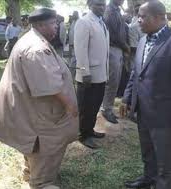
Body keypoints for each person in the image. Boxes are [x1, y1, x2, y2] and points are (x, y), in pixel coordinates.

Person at [0, 8, 79, 189]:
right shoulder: (36, 48)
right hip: (42, 116)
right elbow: (51, 86)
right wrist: (70, 106)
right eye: (54, 24)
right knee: (45, 146)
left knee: (33, 144)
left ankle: (30, 172)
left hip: (32, 110)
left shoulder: (33, 40)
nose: (57, 27)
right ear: (40, 25)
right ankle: (41, 182)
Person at [123, 1, 171, 189]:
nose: (138, 19)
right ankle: (148, 179)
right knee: (147, 152)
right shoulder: (143, 39)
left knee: (165, 161)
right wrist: (127, 97)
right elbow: (135, 72)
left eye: (143, 16)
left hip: (166, 115)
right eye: (138, 15)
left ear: (159, 17)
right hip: (143, 110)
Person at [74, 0, 109, 149]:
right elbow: (80, 50)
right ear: (89, 5)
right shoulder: (84, 22)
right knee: (86, 106)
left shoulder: (101, 22)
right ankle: (82, 135)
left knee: (94, 105)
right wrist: (84, 72)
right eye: (98, 4)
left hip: (100, 74)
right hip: (88, 75)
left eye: (103, 4)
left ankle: (89, 129)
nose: (102, 7)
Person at [102, 0, 129, 124]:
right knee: (112, 81)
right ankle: (106, 109)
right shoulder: (110, 11)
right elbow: (114, 34)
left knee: (115, 80)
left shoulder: (116, 10)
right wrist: (125, 46)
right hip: (113, 48)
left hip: (118, 48)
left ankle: (108, 107)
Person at [68, 11, 79, 79]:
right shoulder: (73, 22)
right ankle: (71, 74)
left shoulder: (79, 21)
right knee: (72, 58)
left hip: (76, 43)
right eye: (73, 14)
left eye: (74, 14)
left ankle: (71, 75)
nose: (73, 15)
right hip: (71, 42)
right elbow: (71, 33)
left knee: (74, 59)